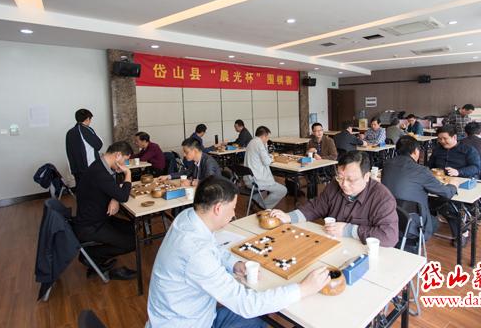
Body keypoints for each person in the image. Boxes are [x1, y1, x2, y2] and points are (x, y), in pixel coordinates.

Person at [146, 176, 330, 328]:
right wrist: (303, 289)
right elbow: (245, 304)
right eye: (233, 208)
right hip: (189, 323)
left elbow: (213, 248)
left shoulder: (188, 218)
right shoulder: (196, 252)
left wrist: (235, 264)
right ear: (218, 208)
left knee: (261, 317)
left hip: (192, 314)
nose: (234, 214)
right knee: (257, 312)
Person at [270, 151, 399, 247]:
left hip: (362, 252)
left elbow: (389, 237)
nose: (344, 184)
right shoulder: (334, 186)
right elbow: (315, 207)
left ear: (366, 177)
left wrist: (349, 230)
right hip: (334, 245)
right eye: (340, 178)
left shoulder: (382, 198)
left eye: (351, 180)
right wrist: (289, 217)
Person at [73, 141, 137, 280]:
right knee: (132, 242)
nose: (124, 164)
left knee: (133, 228)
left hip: (99, 217)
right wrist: (128, 173)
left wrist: (114, 198)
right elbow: (123, 196)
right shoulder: (99, 172)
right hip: (91, 225)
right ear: (118, 155)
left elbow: (113, 189)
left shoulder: (100, 166)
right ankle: (91, 255)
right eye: (125, 160)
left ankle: (96, 256)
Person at [382, 136, 457, 241]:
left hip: (388, 217)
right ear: (416, 151)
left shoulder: (387, 165)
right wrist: (453, 185)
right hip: (412, 225)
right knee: (435, 221)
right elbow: (446, 193)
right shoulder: (421, 170)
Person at [428, 126, 480, 247]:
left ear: (454, 137)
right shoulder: (437, 150)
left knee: (448, 204)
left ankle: (462, 232)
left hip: (460, 185)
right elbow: (430, 166)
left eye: (445, 138)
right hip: (439, 184)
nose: (442, 141)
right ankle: (429, 225)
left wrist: (458, 172)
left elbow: (476, 167)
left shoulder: (468, 150)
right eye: (439, 139)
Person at [243, 126, 288, 209]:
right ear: (264, 136)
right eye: (267, 137)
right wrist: (271, 157)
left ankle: (255, 200)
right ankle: (263, 206)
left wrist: (266, 150)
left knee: (272, 183)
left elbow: (262, 156)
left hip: (248, 179)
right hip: (257, 181)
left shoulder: (252, 142)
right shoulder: (259, 143)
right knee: (283, 190)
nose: (267, 139)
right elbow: (267, 161)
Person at [66, 108, 103, 186]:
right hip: (89, 167)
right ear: (87, 119)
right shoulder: (87, 130)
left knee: (81, 188)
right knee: (92, 188)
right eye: (90, 119)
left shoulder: (70, 132)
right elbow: (98, 145)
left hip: (76, 168)